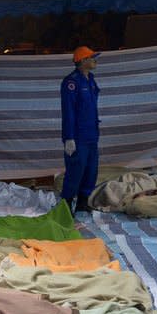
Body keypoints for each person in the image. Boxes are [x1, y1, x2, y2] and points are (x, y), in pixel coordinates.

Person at [60, 46, 101, 213]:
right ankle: (66, 205)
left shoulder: (90, 79)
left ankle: (83, 203)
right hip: (78, 136)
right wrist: (69, 137)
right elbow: (68, 111)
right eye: (92, 58)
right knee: (75, 171)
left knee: (91, 170)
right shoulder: (71, 82)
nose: (95, 60)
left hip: (92, 134)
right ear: (83, 61)